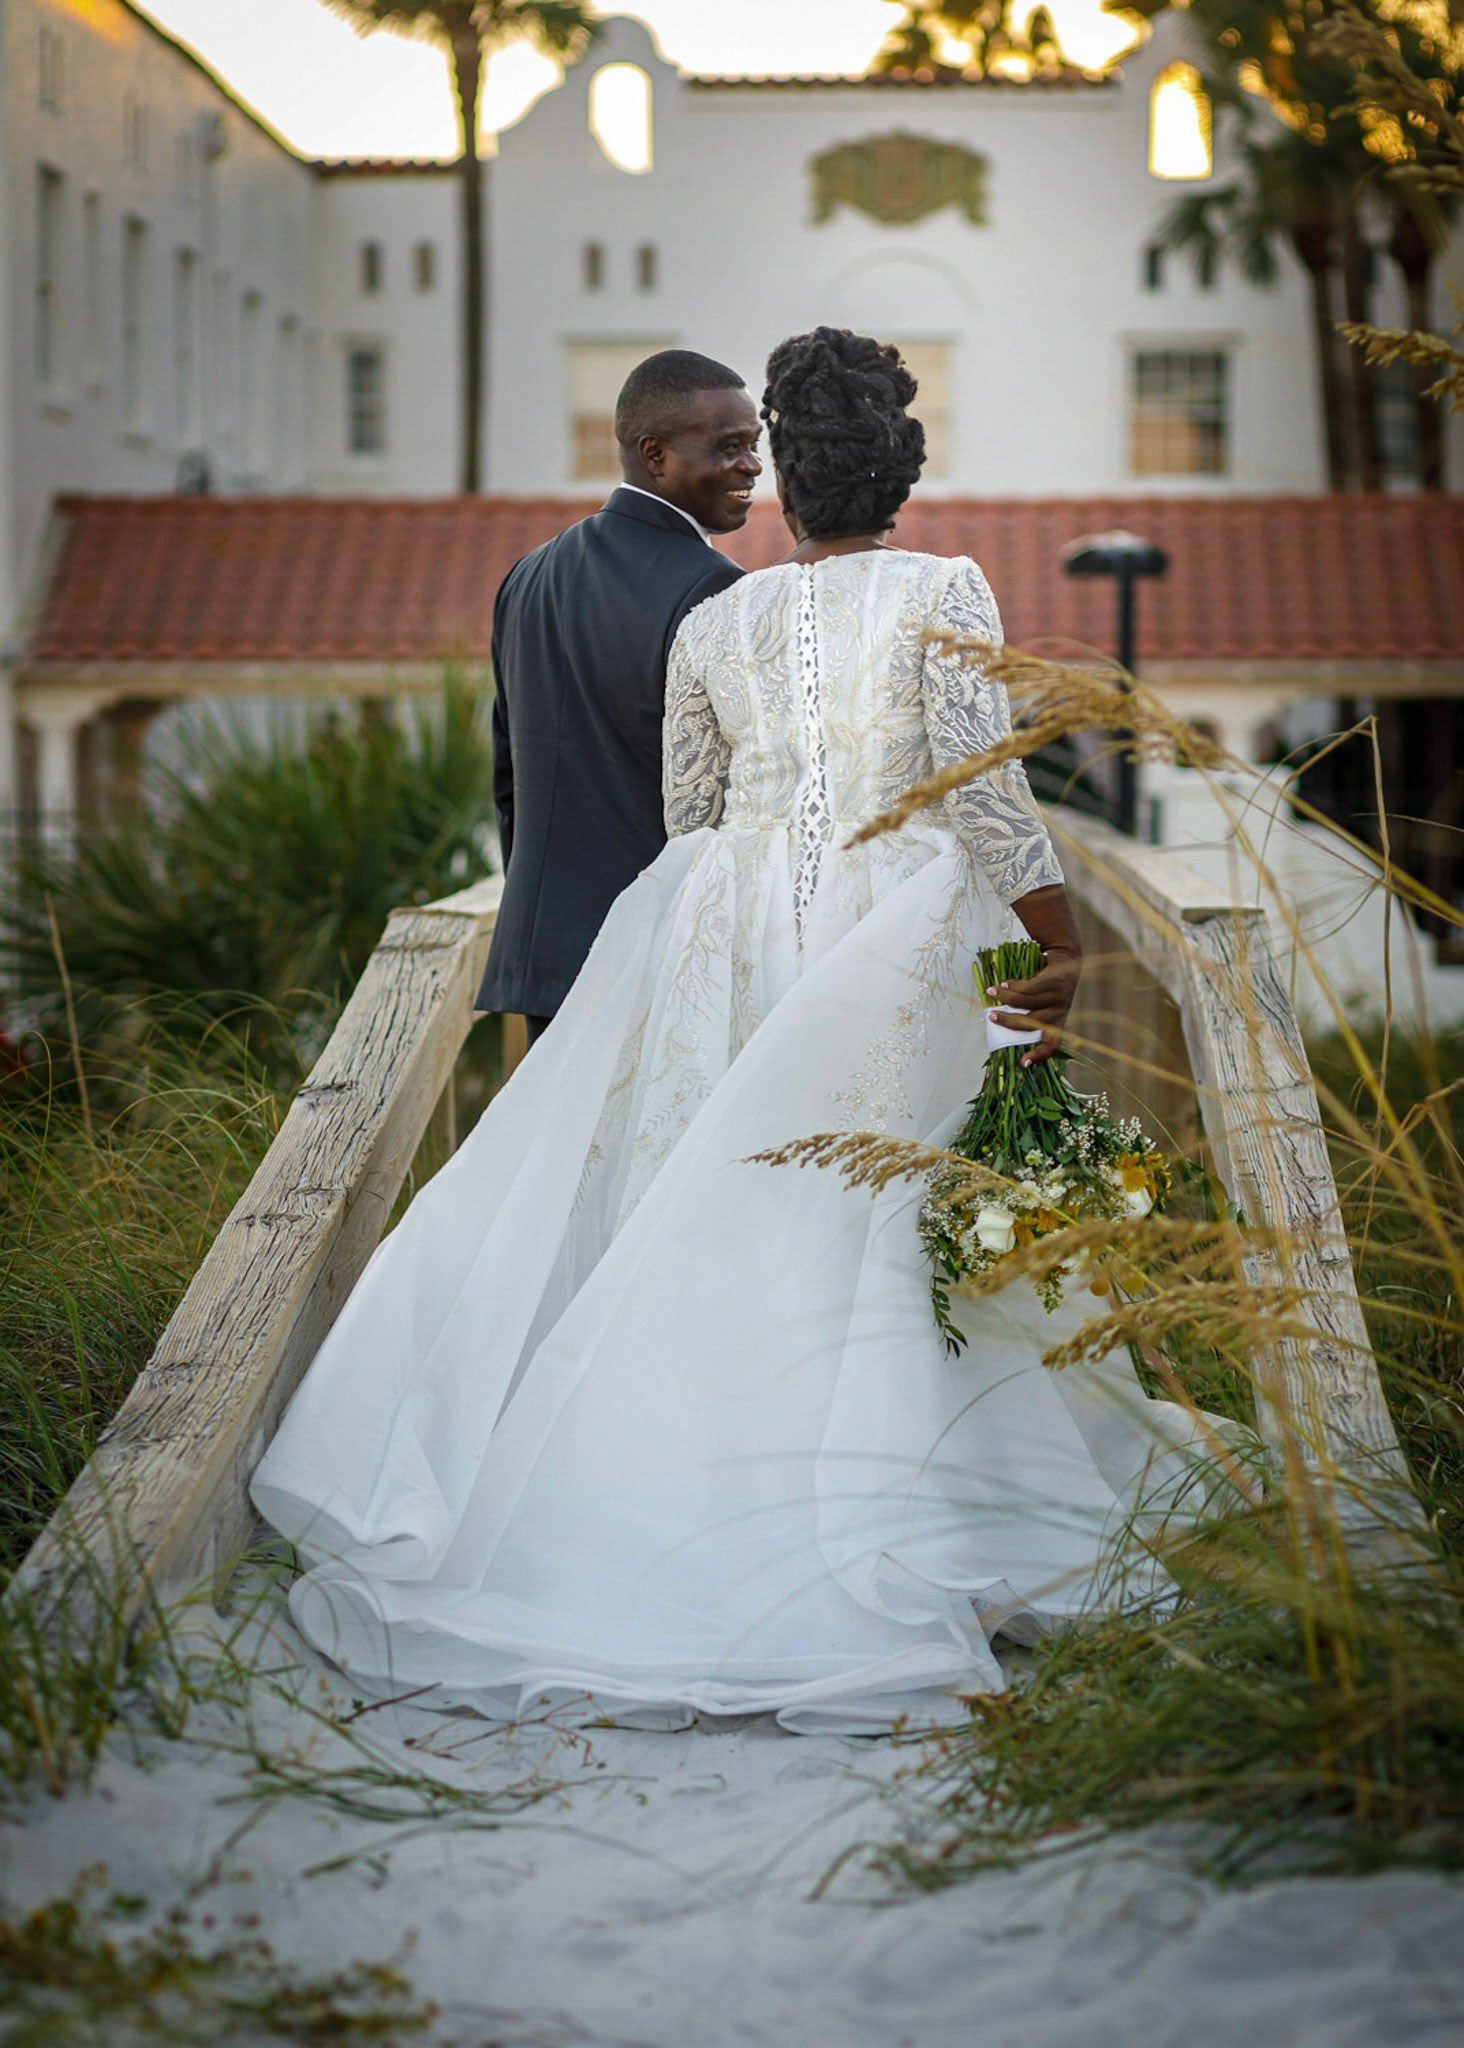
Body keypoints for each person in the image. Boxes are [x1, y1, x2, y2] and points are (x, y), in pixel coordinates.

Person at [252, 329, 1214, 1736]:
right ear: (901, 471)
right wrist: (1062, 947)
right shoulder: (948, 586)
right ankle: (921, 1503)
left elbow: (692, 815)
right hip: (899, 932)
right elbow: (991, 804)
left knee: (729, 1199)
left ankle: (667, 1493)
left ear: (788, 484)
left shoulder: (719, 620)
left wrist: (757, 887)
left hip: (728, 928)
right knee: (883, 1208)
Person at [478, 350, 760, 1044]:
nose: (753, 466)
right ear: (655, 454)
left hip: (544, 957)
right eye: (728, 448)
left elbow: (510, 778)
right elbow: (738, 797)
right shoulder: (715, 590)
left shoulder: (528, 575)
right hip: (656, 958)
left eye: (754, 447)